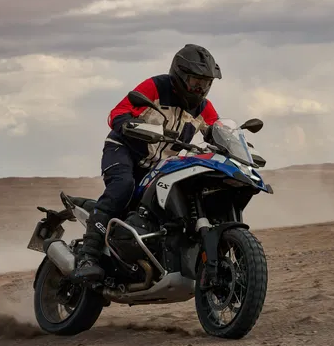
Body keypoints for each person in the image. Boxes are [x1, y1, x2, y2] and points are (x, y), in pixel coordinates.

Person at [71, 44, 222, 283]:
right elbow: (117, 112)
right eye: (196, 81)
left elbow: (217, 130)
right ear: (180, 75)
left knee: (166, 204)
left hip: (157, 164)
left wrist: (232, 142)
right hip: (124, 150)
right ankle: (87, 257)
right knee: (122, 188)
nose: (200, 88)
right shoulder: (156, 87)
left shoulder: (204, 107)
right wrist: (128, 124)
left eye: (205, 83)